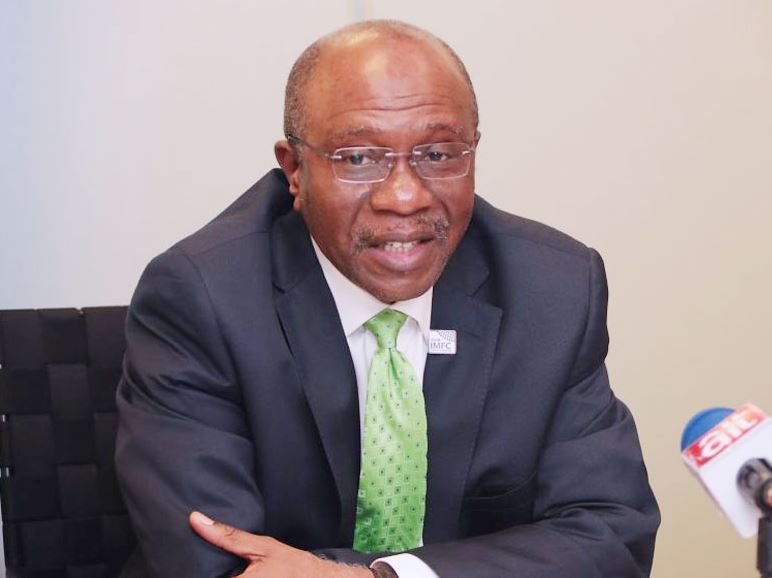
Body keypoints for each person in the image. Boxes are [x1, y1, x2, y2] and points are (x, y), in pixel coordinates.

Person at [115, 19, 659, 578]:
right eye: (358, 158)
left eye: (439, 154)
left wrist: (376, 577)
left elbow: (611, 534)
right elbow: (215, 564)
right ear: (294, 170)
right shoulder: (202, 297)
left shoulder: (552, 288)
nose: (404, 196)